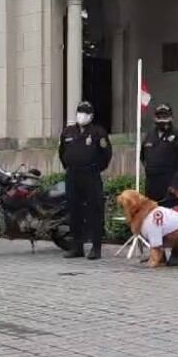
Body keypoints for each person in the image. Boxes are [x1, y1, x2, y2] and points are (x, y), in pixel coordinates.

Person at [59, 101, 112, 259]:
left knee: (94, 211)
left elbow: (106, 154)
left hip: (91, 175)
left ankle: (96, 248)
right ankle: (77, 246)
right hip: (73, 175)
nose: (82, 115)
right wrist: (69, 165)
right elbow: (62, 152)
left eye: (85, 112)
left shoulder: (98, 132)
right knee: (74, 210)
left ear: (91, 116)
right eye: (80, 112)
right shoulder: (68, 132)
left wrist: (95, 168)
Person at [140, 104, 178, 266]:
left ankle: (176, 254)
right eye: (160, 116)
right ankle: (158, 254)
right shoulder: (149, 136)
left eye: (165, 115)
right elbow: (144, 157)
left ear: (171, 117)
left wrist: (176, 184)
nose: (163, 119)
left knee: (174, 221)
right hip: (153, 185)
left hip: (171, 184)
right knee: (154, 222)